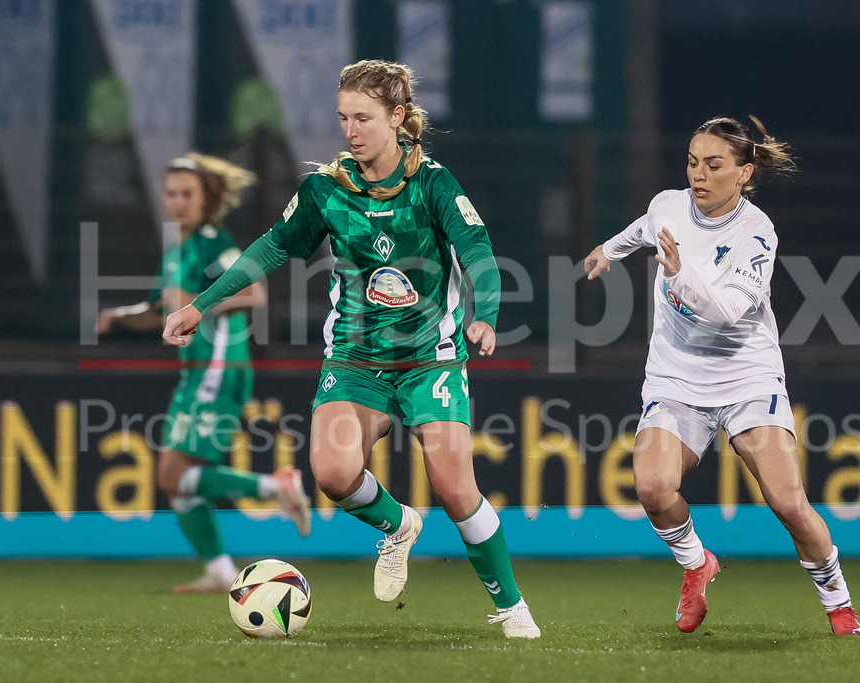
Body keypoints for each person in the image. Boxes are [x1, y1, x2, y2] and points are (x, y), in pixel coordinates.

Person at [162, 60, 540, 638]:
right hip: (354, 358)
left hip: (428, 357)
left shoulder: (434, 184)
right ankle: (397, 526)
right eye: (343, 118)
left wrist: (484, 315)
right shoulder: (326, 189)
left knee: (455, 485)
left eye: (363, 117)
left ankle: (512, 607)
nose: (351, 130)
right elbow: (268, 250)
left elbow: (478, 252)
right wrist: (200, 305)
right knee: (333, 472)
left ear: (397, 117)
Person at [583, 116, 860, 637]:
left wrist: (677, 275)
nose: (700, 174)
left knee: (787, 501)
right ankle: (696, 563)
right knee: (651, 486)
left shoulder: (757, 233)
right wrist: (609, 250)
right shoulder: (668, 206)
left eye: (715, 165)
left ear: (744, 172)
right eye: (693, 162)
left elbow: (727, 312)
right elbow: (643, 229)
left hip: (746, 377)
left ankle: (839, 604)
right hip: (676, 376)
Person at [97, 152, 312, 594]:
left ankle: (276, 485)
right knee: (178, 484)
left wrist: (197, 297)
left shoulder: (214, 241)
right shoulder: (179, 249)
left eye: (187, 194)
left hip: (219, 370)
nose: (177, 202)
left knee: (171, 476)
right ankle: (219, 570)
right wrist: (120, 315)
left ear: (206, 199)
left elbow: (254, 292)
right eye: (171, 193)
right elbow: (160, 310)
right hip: (195, 375)